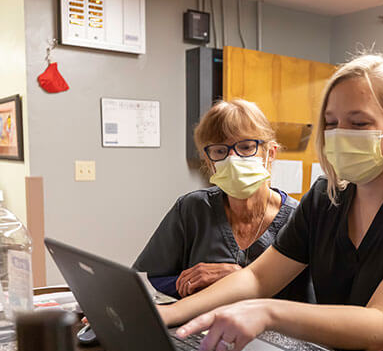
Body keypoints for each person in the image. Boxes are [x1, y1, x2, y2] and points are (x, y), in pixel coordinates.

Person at [161, 53, 383, 351]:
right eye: (331, 123)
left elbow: (381, 325)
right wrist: (171, 313)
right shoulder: (326, 196)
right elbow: (257, 277)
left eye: (359, 123)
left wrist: (266, 312)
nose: (339, 133)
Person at [133, 99, 312, 302]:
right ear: (209, 162)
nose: (233, 159)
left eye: (245, 147)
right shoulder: (192, 210)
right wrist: (189, 282)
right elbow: (144, 281)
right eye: (220, 151)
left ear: (270, 153)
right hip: (199, 330)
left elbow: (312, 302)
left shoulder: (300, 219)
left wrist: (238, 278)